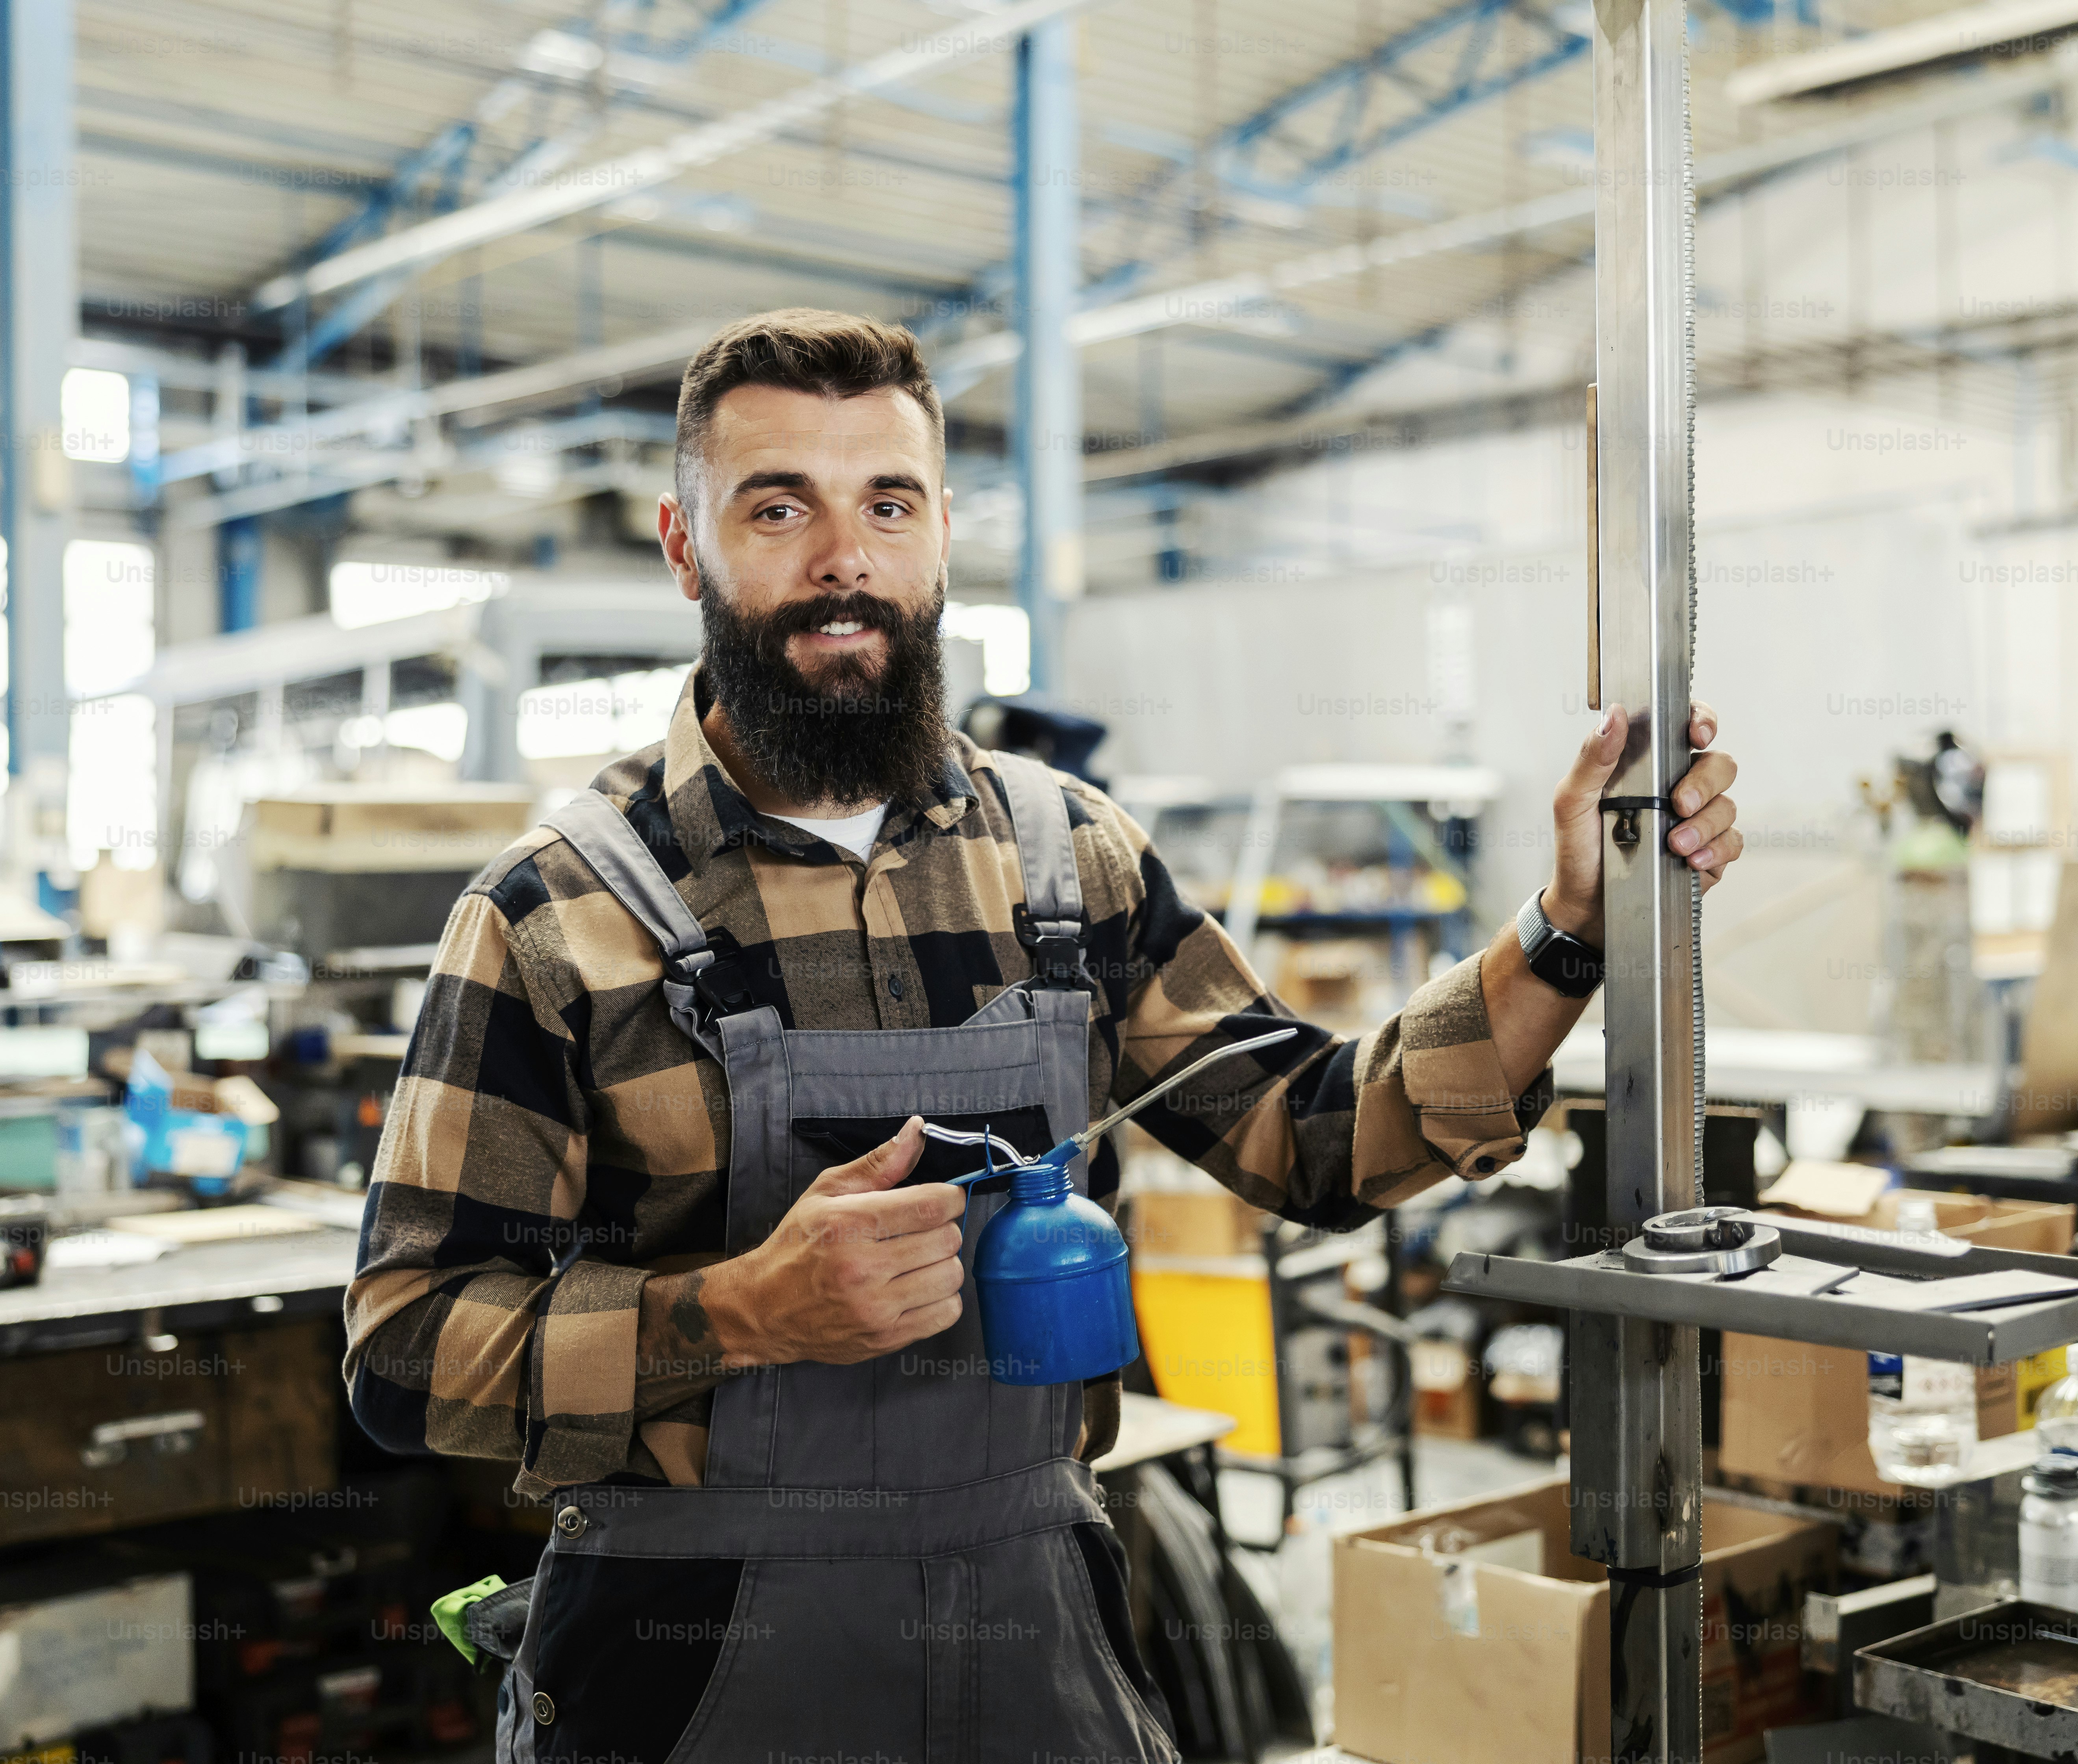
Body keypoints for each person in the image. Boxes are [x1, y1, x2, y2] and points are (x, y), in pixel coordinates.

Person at [343, 307, 1745, 1761]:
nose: (845, 561)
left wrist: (1567, 930)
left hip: (1030, 1642)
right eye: (779, 509)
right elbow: (399, 1354)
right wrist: (741, 1314)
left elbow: (1313, 1139)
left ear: (943, 531)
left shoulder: (1070, 862)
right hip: (692, 1659)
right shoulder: (553, 914)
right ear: (685, 544)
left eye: (888, 504)